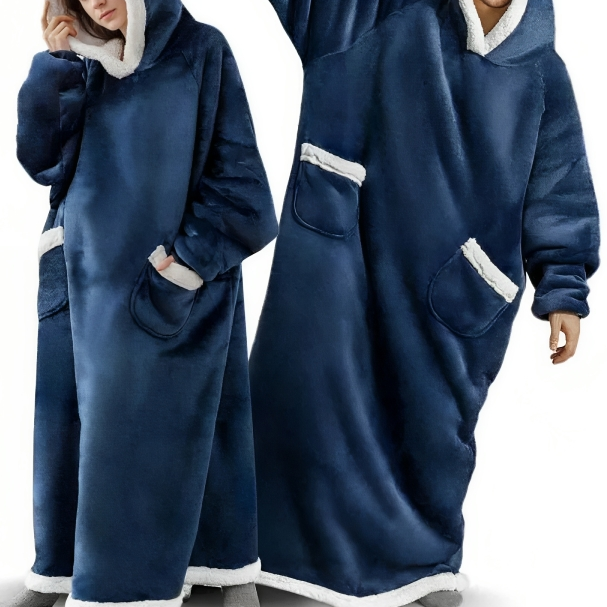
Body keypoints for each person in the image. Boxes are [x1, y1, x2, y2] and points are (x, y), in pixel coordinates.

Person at [249, 1, 600, 607]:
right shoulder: (373, 15)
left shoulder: (541, 72)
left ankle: (418, 568)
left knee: (429, 437)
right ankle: (280, 562)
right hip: (341, 262)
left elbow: (560, 187)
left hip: (452, 294)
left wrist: (563, 287)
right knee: (309, 408)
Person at [8, 1, 278, 607]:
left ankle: (187, 575)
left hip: (166, 291)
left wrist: (183, 268)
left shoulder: (200, 51)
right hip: (78, 288)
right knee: (70, 439)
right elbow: (40, 161)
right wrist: (56, 64)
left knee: (174, 434)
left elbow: (243, 189)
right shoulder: (82, 63)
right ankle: (63, 570)